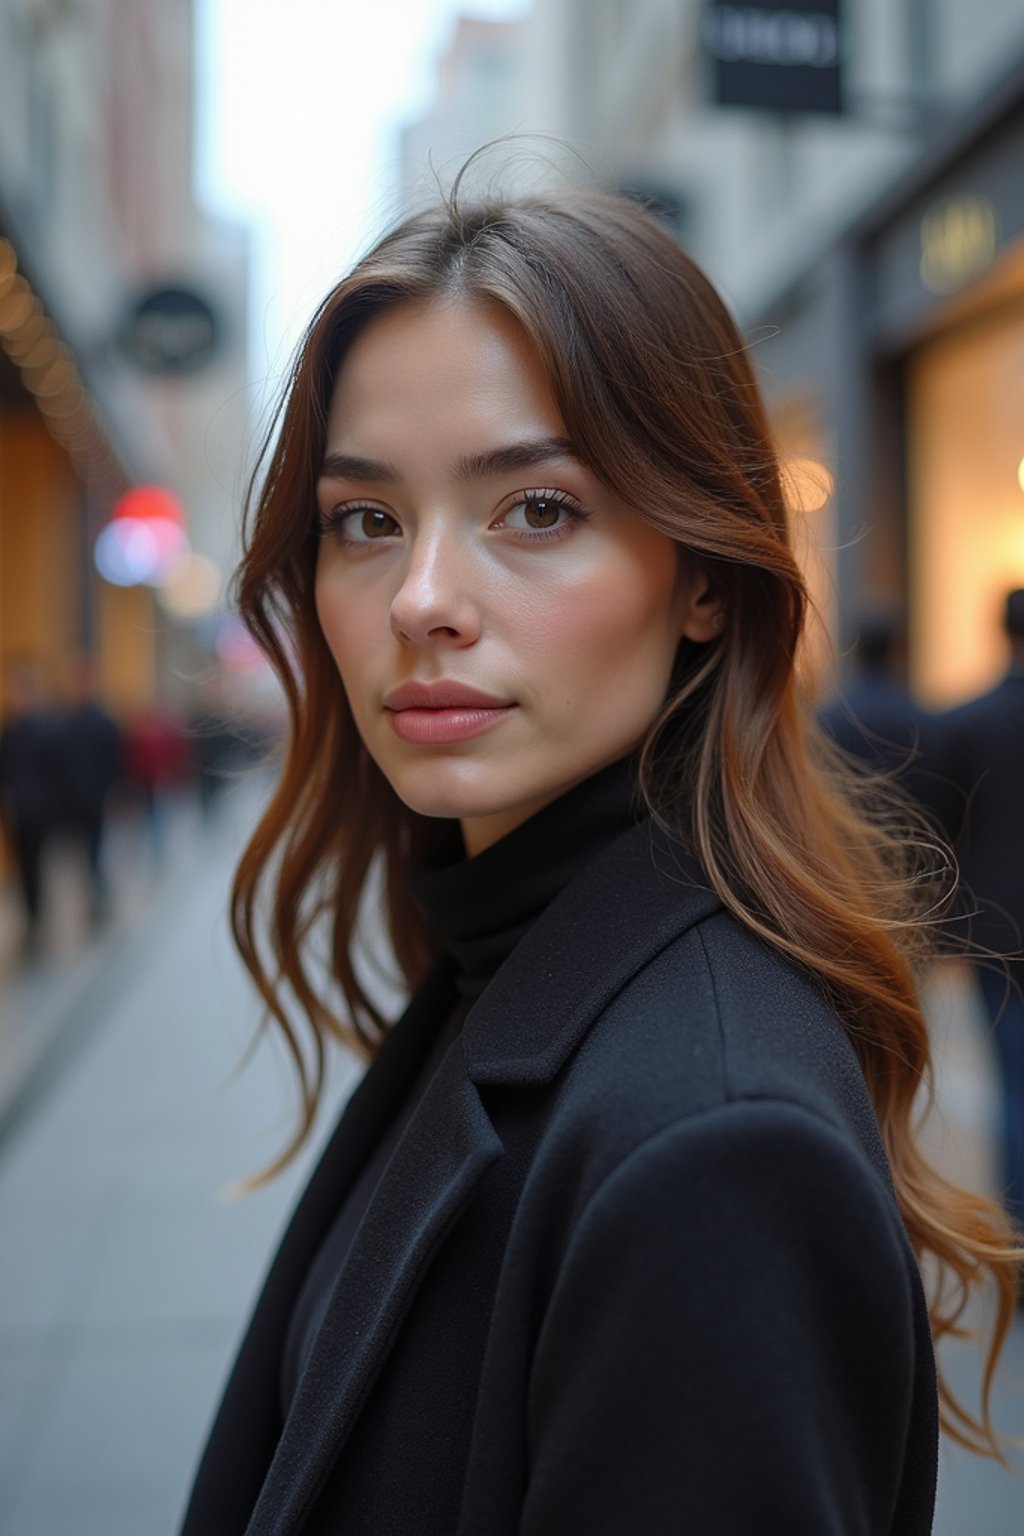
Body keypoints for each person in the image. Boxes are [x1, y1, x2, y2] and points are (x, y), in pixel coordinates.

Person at [180, 181, 1020, 1536]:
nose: (422, 600)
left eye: (538, 511)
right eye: (366, 520)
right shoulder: (499, 967)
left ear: (701, 576)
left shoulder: (711, 1144)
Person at [934, 588, 1024, 1232]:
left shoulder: (970, 721)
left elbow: (946, 829)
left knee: (1013, 1085)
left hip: (1001, 927)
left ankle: (1020, 1231)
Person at [0, 656, 62, 955]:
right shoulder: (9, 730)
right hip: (16, 814)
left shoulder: (45, 729)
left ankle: (37, 920)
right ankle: (30, 917)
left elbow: (56, 774)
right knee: (22, 870)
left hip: (39, 813)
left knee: (36, 868)